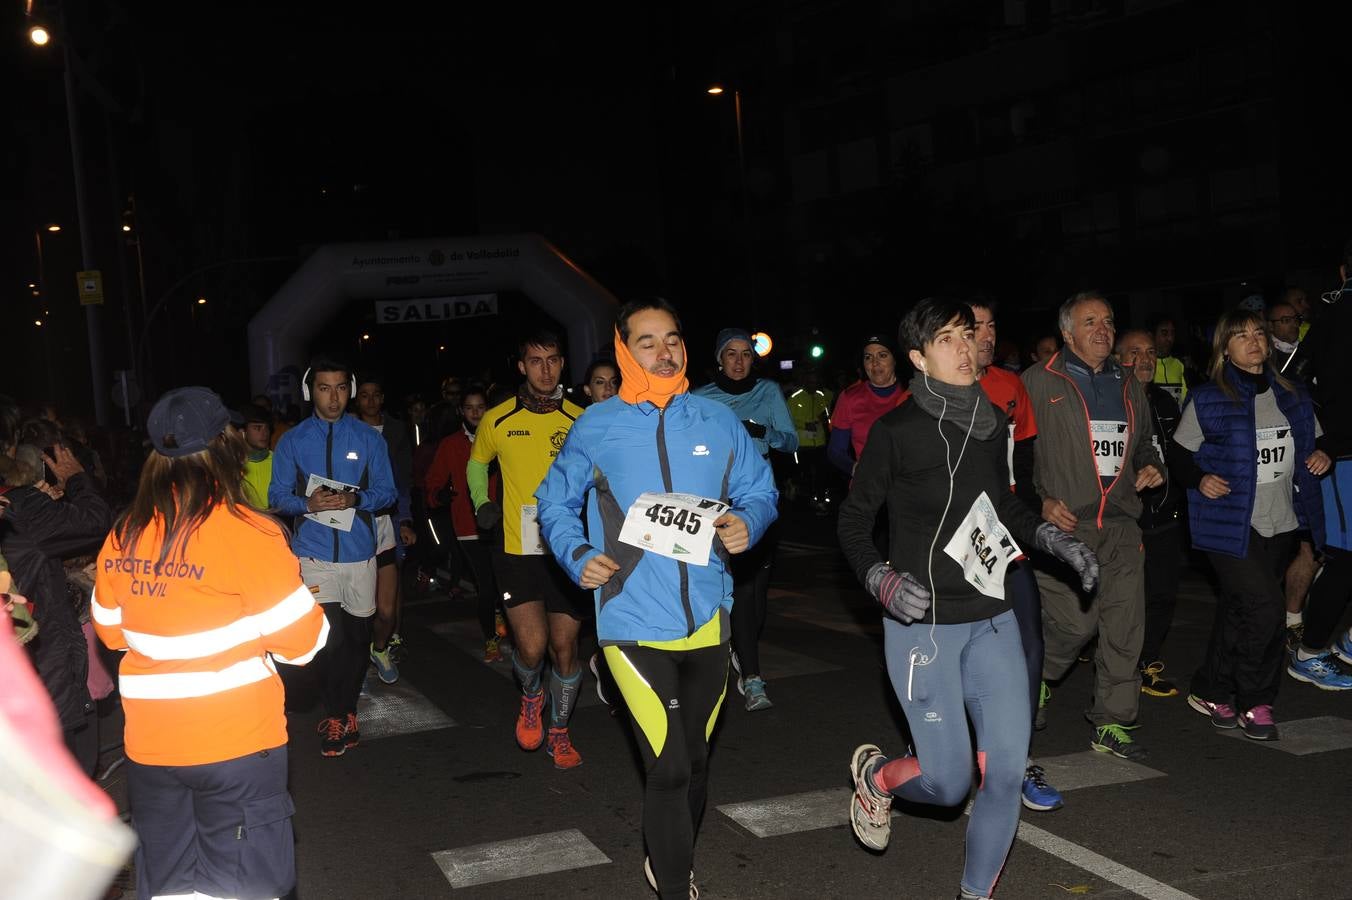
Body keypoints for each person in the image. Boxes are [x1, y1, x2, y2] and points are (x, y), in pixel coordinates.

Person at [838, 298, 1098, 900]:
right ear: (917, 357)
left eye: (968, 335)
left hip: (993, 615)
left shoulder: (990, 420)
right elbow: (853, 522)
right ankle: (878, 777)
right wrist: (878, 577)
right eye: (948, 339)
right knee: (949, 785)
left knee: (1005, 774)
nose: (965, 348)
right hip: (924, 626)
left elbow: (1000, 506)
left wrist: (1052, 539)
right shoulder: (895, 432)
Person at [537, 297, 778, 899]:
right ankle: (676, 887)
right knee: (668, 766)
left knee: (695, 765)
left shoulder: (718, 421)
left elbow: (759, 488)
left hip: (708, 617)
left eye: (672, 338)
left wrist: (750, 519)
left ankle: (671, 861)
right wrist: (574, 553)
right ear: (624, 352)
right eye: (647, 341)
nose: (664, 350)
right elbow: (553, 502)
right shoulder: (597, 425)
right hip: (631, 619)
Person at [93, 386, 328, 900]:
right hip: (236, 744)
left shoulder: (125, 533)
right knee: (244, 888)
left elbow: (110, 632)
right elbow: (303, 643)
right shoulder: (250, 533)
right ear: (227, 444)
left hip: (153, 746)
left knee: (173, 889)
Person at [1169, 309, 1329, 739]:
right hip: (1227, 524)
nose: (1254, 341)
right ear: (1225, 347)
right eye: (1241, 335)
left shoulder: (1292, 394)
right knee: (1267, 608)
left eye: (1259, 332)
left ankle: (1209, 688)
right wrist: (1200, 478)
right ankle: (1255, 701)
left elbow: (1316, 441)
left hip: (1281, 522)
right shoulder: (1208, 397)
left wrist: (1322, 455)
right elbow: (1180, 455)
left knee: (1239, 610)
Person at [1023, 292, 1165, 761]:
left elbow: (1144, 441)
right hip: (1067, 526)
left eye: (1107, 320)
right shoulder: (1038, 383)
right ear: (1067, 332)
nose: (1102, 329)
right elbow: (1017, 459)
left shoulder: (1128, 383)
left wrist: (1149, 464)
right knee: (1075, 623)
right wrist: (1038, 502)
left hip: (1122, 523)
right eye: (1090, 322)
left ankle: (1113, 722)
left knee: (1125, 628)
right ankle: (1037, 677)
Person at [468, 331, 588, 769]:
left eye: (553, 360)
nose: (545, 369)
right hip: (517, 549)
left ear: (562, 364)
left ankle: (559, 730)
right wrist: (482, 501)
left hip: (569, 551)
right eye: (535, 361)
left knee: (565, 648)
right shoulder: (497, 419)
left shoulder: (582, 418)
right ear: (521, 366)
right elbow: (477, 461)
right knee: (533, 649)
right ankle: (532, 697)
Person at [269, 357, 397, 757]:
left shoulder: (368, 439)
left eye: (341, 387)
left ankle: (347, 708)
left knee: (357, 638)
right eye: (324, 388)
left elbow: (387, 492)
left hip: (360, 553)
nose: (333, 396)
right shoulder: (292, 441)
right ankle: (336, 714)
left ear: (350, 390)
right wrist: (308, 504)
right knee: (330, 637)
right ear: (310, 392)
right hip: (313, 553)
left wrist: (354, 498)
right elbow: (276, 497)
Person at [969, 299, 1062, 813]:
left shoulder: (1010, 387)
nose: (984, 335)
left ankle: (1017, 756)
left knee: (1028, 642)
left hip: (1004, 529)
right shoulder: (925, 395)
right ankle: (943, 745)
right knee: (959, 649)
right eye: (972, 326)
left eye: (990, 325)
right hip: (947, 540)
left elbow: (1021, 469)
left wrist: (1034, 518)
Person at [0, 402, 111, 775]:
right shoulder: (22, 506)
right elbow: (95, 522)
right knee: (72, 775)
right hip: (39, 674)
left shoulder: (23, 506)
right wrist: (77, 480)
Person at [693, 327, 797, 711]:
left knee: (757, 598)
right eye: (731, 353)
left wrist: (762, 431)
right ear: (719, 359)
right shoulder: (701, 398)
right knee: (740, 591)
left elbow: (791, 441)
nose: (738, 361)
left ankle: (742, 646)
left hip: (760, 503)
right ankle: (753, 678)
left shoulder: (768, 392)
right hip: (718, 505)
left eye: (745, 354)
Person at [1115, 330, 1185, 698]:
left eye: (1151, 352)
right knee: (1127, 601)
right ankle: (1121, 668)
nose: (1144, 359)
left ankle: (1147, 662)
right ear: (1117, 359)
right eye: (1134, 352)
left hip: (1163, 517)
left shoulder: (1165, 402)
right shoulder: (1108, 403)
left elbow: (1179, 456)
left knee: (1163, 595)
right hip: (1122, 521)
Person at [424, 385, 506, 661]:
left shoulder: (502, 436)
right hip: (469, 525)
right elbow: (432, 484)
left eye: (480, 407)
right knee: (486, 584)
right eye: (469, 407)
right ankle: (490, 638)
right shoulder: (450, 444)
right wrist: (441, 496)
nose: (475, 412)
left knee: (506, 581)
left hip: (505, 523)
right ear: (461, 410)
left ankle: (505, 621)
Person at [354, 373, 413, 683]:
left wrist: (404, 519)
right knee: (359, 602)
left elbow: (403, 480)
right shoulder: (346, 431)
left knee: (387, 602)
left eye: (376, 394)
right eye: (364, 394)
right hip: (353, 525)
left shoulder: (396, 431)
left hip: (387, 522)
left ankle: (385, 643)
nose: (371, 400)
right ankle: (358, 656)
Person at [827, 334, 907, 480]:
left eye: (882, 355)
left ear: (895, 359)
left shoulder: (911, 394)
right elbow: (836, 450)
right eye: (868, 357)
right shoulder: (849, 398)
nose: (875, 363)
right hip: (869, 489)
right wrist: (855, 468)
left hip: (908, 489)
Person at [241, 404, 274, 510]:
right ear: (243, 431)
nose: (264, 433)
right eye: (257, 428)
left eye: (267, 428)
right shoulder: (233, 464)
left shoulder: (279, 460)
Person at [1151, 315, 1188, 404]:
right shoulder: (1146, 365)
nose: (1170, 338)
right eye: (1164, 333)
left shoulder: (1180, 364)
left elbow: (1186, 399)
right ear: (1152, 335)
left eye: (1172, 333)